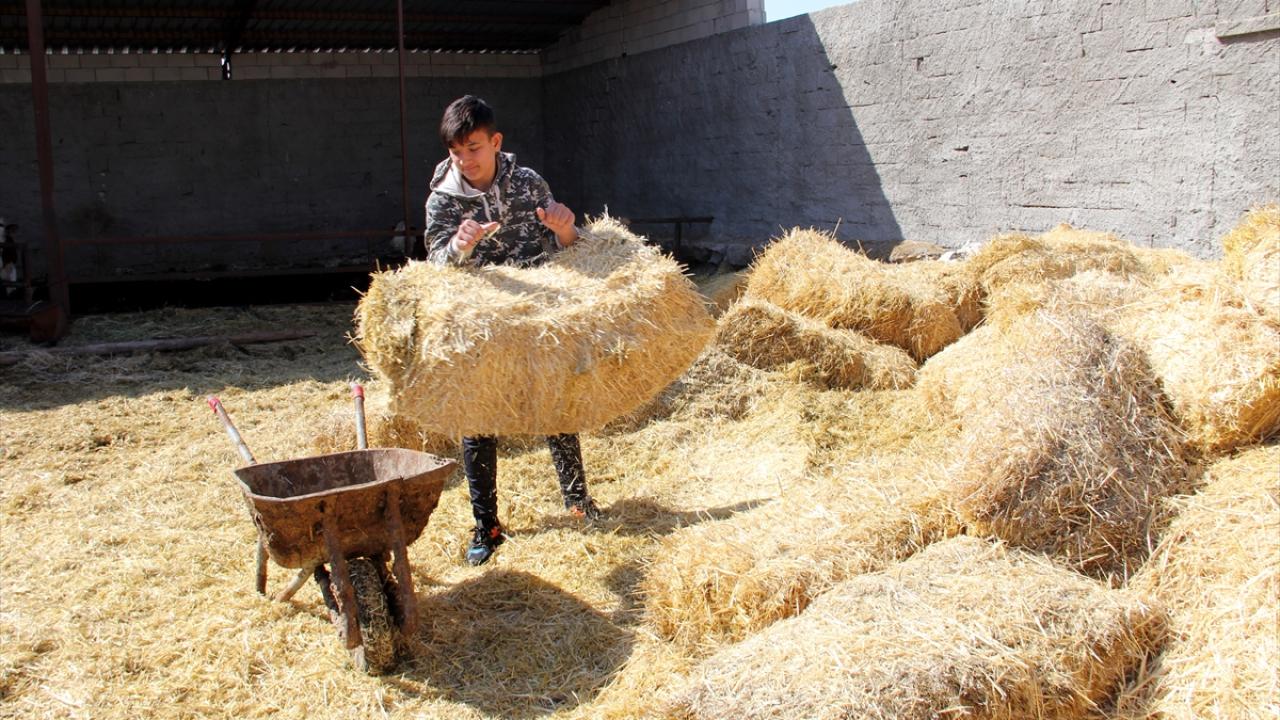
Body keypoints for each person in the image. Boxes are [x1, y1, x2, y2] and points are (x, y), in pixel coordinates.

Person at [423, 95, 603, 567]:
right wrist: (459, 247)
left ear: (495, 141)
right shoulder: (442, 199)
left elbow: (566, 246)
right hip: (480, 324)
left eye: (474, 148)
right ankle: (488, 526)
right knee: (478, 421)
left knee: (556, 405)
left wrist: (566, 229)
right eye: (456, 151)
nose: (465, 159)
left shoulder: (527, 182)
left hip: (535, 315)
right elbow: (434, 266)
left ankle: (578, 501)